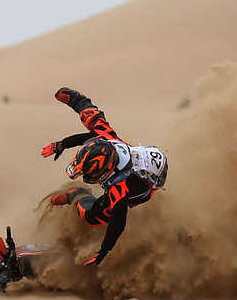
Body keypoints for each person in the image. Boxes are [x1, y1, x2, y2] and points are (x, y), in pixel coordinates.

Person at [41, 87, 168, 266]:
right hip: (142, 162)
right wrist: (61, 144)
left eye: (89, 173)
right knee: (92, 124)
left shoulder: (119, 189)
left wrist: (103, 251)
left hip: (143, 190)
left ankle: (76, 195)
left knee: (92, 217)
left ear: (105, 171)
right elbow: (87, 109)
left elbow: (118, 225)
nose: (86, 175)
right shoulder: (105, 137)